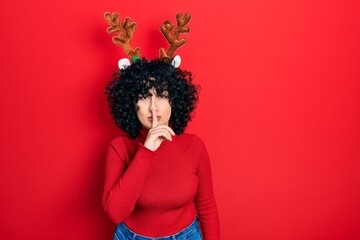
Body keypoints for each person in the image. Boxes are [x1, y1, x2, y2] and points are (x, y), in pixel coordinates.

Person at [103, 58, 220, 240]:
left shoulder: (194, 146)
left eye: (162, 95)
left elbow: (207, 206)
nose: (153, 106)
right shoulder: (119, 147)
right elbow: (115, 213)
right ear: (131, 104)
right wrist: (146, 151)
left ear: (174, 102)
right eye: (143, 96)